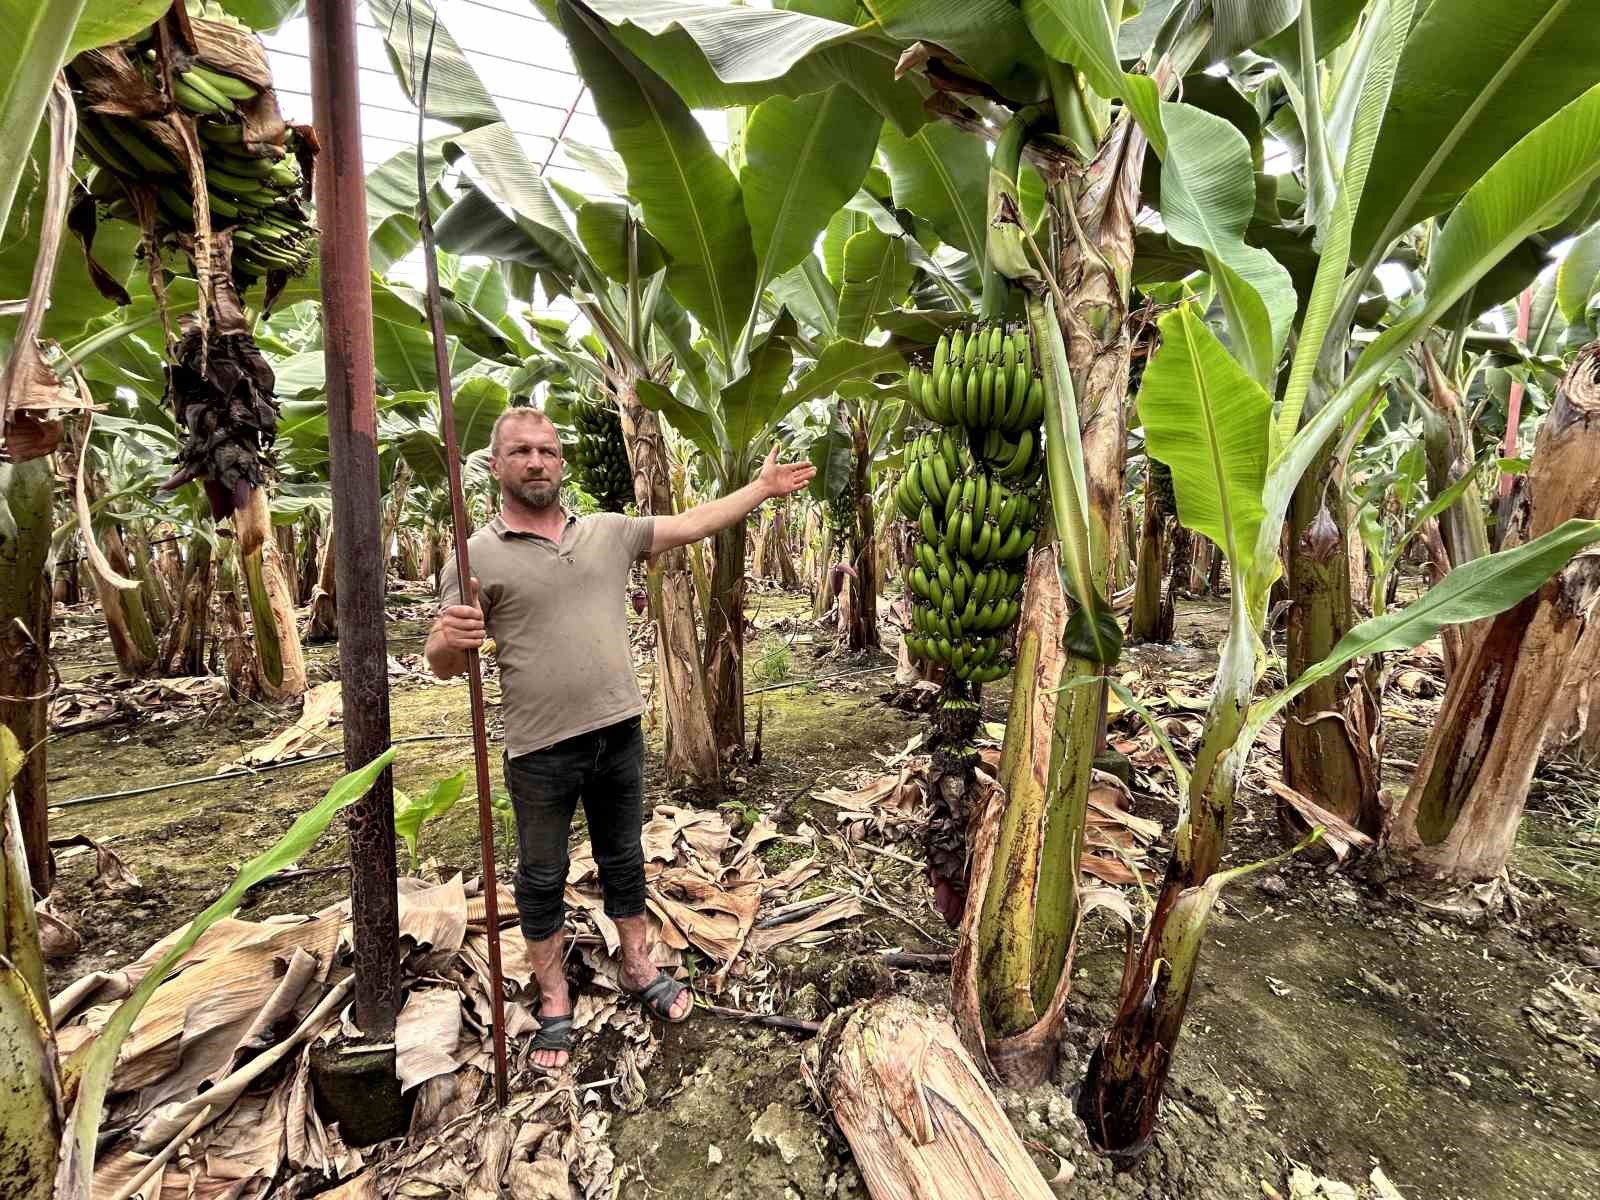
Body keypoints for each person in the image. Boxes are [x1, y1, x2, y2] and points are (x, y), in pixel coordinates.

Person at [425, 407, 814, 1069]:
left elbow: (692, 523)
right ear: (496, 466)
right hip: (540, 749)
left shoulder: (607, 533)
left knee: (625, 860)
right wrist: (444, 643)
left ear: (561, 463)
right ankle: (553, 1000)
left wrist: (762, 489)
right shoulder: (475, 557)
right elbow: (446, 661)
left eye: (547, 450)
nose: (537, 462)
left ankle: (637, 965)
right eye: (521, 451)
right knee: (542, 879)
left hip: (618, 733)